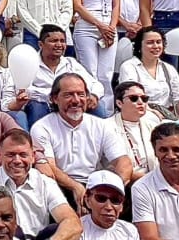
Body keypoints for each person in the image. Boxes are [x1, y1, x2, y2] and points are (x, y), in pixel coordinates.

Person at [0, 128, 77, 240]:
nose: (17, 160)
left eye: (23, 155)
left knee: (59, 231)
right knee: (9, 230)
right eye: (11, 155)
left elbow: (72, 223)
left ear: (33, 157)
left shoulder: (45, 182)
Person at [30, 74, 132, 204]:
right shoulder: (42, 127)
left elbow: (123, 161)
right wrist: (75, 187)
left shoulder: (101, 125)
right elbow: (49, 168)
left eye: (81, 94)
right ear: (54, 99)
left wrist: (113, 187)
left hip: (96, 185)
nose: (76, 100)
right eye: (69, 95)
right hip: (61, 186)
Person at [24, 25, 100, 124]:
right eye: (54, 41)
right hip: (44, 103)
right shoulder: (30, 63)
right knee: (36, 107)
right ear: (40, 44)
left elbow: (95, 84)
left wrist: (94, 95)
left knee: (98, 106)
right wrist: (56, 96)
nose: (59, 45)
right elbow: (25, 90)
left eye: (62, 41)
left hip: (71, 102)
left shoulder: (70, 63)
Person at [119, 27, 179, 117]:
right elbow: (132, 97)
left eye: (158, 42)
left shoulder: (169, 69)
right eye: (150, 42)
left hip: (166, 115)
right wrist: (153, 113)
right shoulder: (129, 66)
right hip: (140, 115)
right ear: (139, 45)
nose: (155, 46)